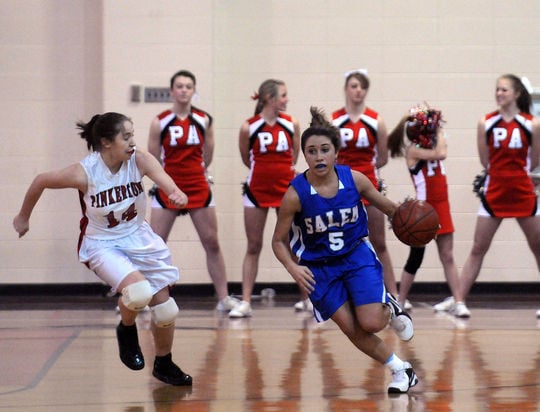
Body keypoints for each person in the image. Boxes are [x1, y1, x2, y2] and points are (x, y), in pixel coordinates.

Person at [13, 112, 192, 386]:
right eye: (126, 136)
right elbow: (41, 180)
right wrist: (23, 217)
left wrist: (176, 193)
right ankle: (126, 328)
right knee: (138, 292)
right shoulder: (84, 173)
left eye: (133, 135)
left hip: (138, 237)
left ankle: (164, 364)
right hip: (103, 243)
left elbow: (165, 180)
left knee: (166, 310)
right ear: (107, 142)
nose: (133, 142)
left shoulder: (139, 159)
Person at [272, 107, 418, 394]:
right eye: (311, 151)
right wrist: (293, 267)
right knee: (352, 329)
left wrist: (415, 221)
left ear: (336, 152)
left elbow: (389, 208)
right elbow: (278, 241)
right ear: (304, 156)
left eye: (324, 150)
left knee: (371, 323)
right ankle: (401, 370)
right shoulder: (295, 195)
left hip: (355, 256)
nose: (318, 156)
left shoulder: (356, 180)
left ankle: (390, 307)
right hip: (319, 269)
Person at [435, 74, 540, 318]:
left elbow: (535, 160)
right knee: (478, 248)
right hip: (495, 192)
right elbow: (485, 160)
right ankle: (459, 301)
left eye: (504, 90)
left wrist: (519, 174)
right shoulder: (486, 122)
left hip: (523, 192)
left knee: (537, 247)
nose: (499, 94)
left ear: (516, 94)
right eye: (497, 90)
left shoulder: (532, 124)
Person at [148, 70, 239, 313]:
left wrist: (198, 173)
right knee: (154, 245)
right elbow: (152, 158)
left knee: (211, 242)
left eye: (189, 86)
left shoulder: (204, 120)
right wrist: (166, 183)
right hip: (168, 186)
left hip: (198, 186)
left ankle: (223, 297)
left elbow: (207, 155)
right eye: (179, 86)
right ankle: (146, 297)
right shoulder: (160, 122)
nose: (184, 90)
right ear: (172, 91)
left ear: (193, 90)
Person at [387, 105, 469, 317]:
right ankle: (401, 301)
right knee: (416, 257)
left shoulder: (435, 142)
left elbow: (440, 149)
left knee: (448, 256)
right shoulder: (412, 150)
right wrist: (439, 127)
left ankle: (458, 301)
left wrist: (437, 127)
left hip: (442, 206)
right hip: (423, 210)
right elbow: (440, 153)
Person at [331, 69, 403, 308]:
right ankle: (338, 296)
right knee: (341, 243)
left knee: (378, 242)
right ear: (345, 89)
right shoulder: (335, 120)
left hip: (369, 186)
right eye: (353, 86)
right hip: (342, 188)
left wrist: (366, 177)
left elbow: (381, 158)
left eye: (362, 87)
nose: (358, 90)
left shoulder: (375, 120)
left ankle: (393, 294)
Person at [231, 79, 301, 318]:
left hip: (286, 191)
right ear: (270, 98)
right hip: (256, 191)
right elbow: (246, 158)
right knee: (254, 245)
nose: (287, 99)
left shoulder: (292, 124)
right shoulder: (248, 127)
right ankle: (247, 301)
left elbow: (294, 156)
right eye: (283, 95)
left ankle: (308, 299)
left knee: (294, 244)